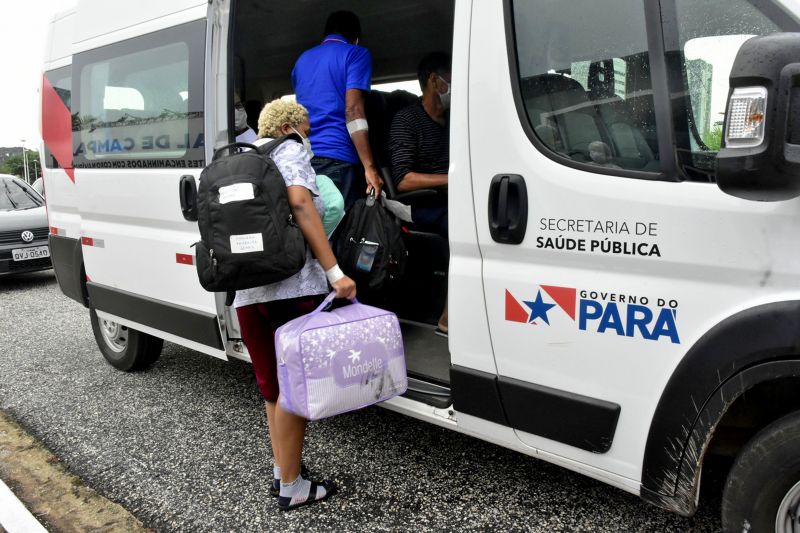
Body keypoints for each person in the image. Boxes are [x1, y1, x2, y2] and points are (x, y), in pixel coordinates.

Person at [234, 99, 356, 510]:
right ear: (289, 126)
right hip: (292, 290)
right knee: (294, 392)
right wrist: (335, 272)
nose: (311, 132)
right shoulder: (290, 151)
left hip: (248, 293)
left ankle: (284, 470)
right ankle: (292, 487)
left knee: (273, 391)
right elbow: (303, 205)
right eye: (307, 124)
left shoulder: (244, 158)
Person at [292, 10, 382, 210]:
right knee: (344, 232)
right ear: (355, 39)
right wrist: (370, 167)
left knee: (320, 234)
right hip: (339, 157)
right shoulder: (356, 53)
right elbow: (353, 111)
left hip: (306, 161)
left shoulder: (301, 61)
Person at [389, 52, 451, 336]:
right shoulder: (407, 120)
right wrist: (450, 180)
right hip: (420, 203)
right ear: (435, 81)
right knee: (465, 226)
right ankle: (449, 316)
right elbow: (403, 180)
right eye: (451, 78)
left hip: (451, 197)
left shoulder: (454, 120)